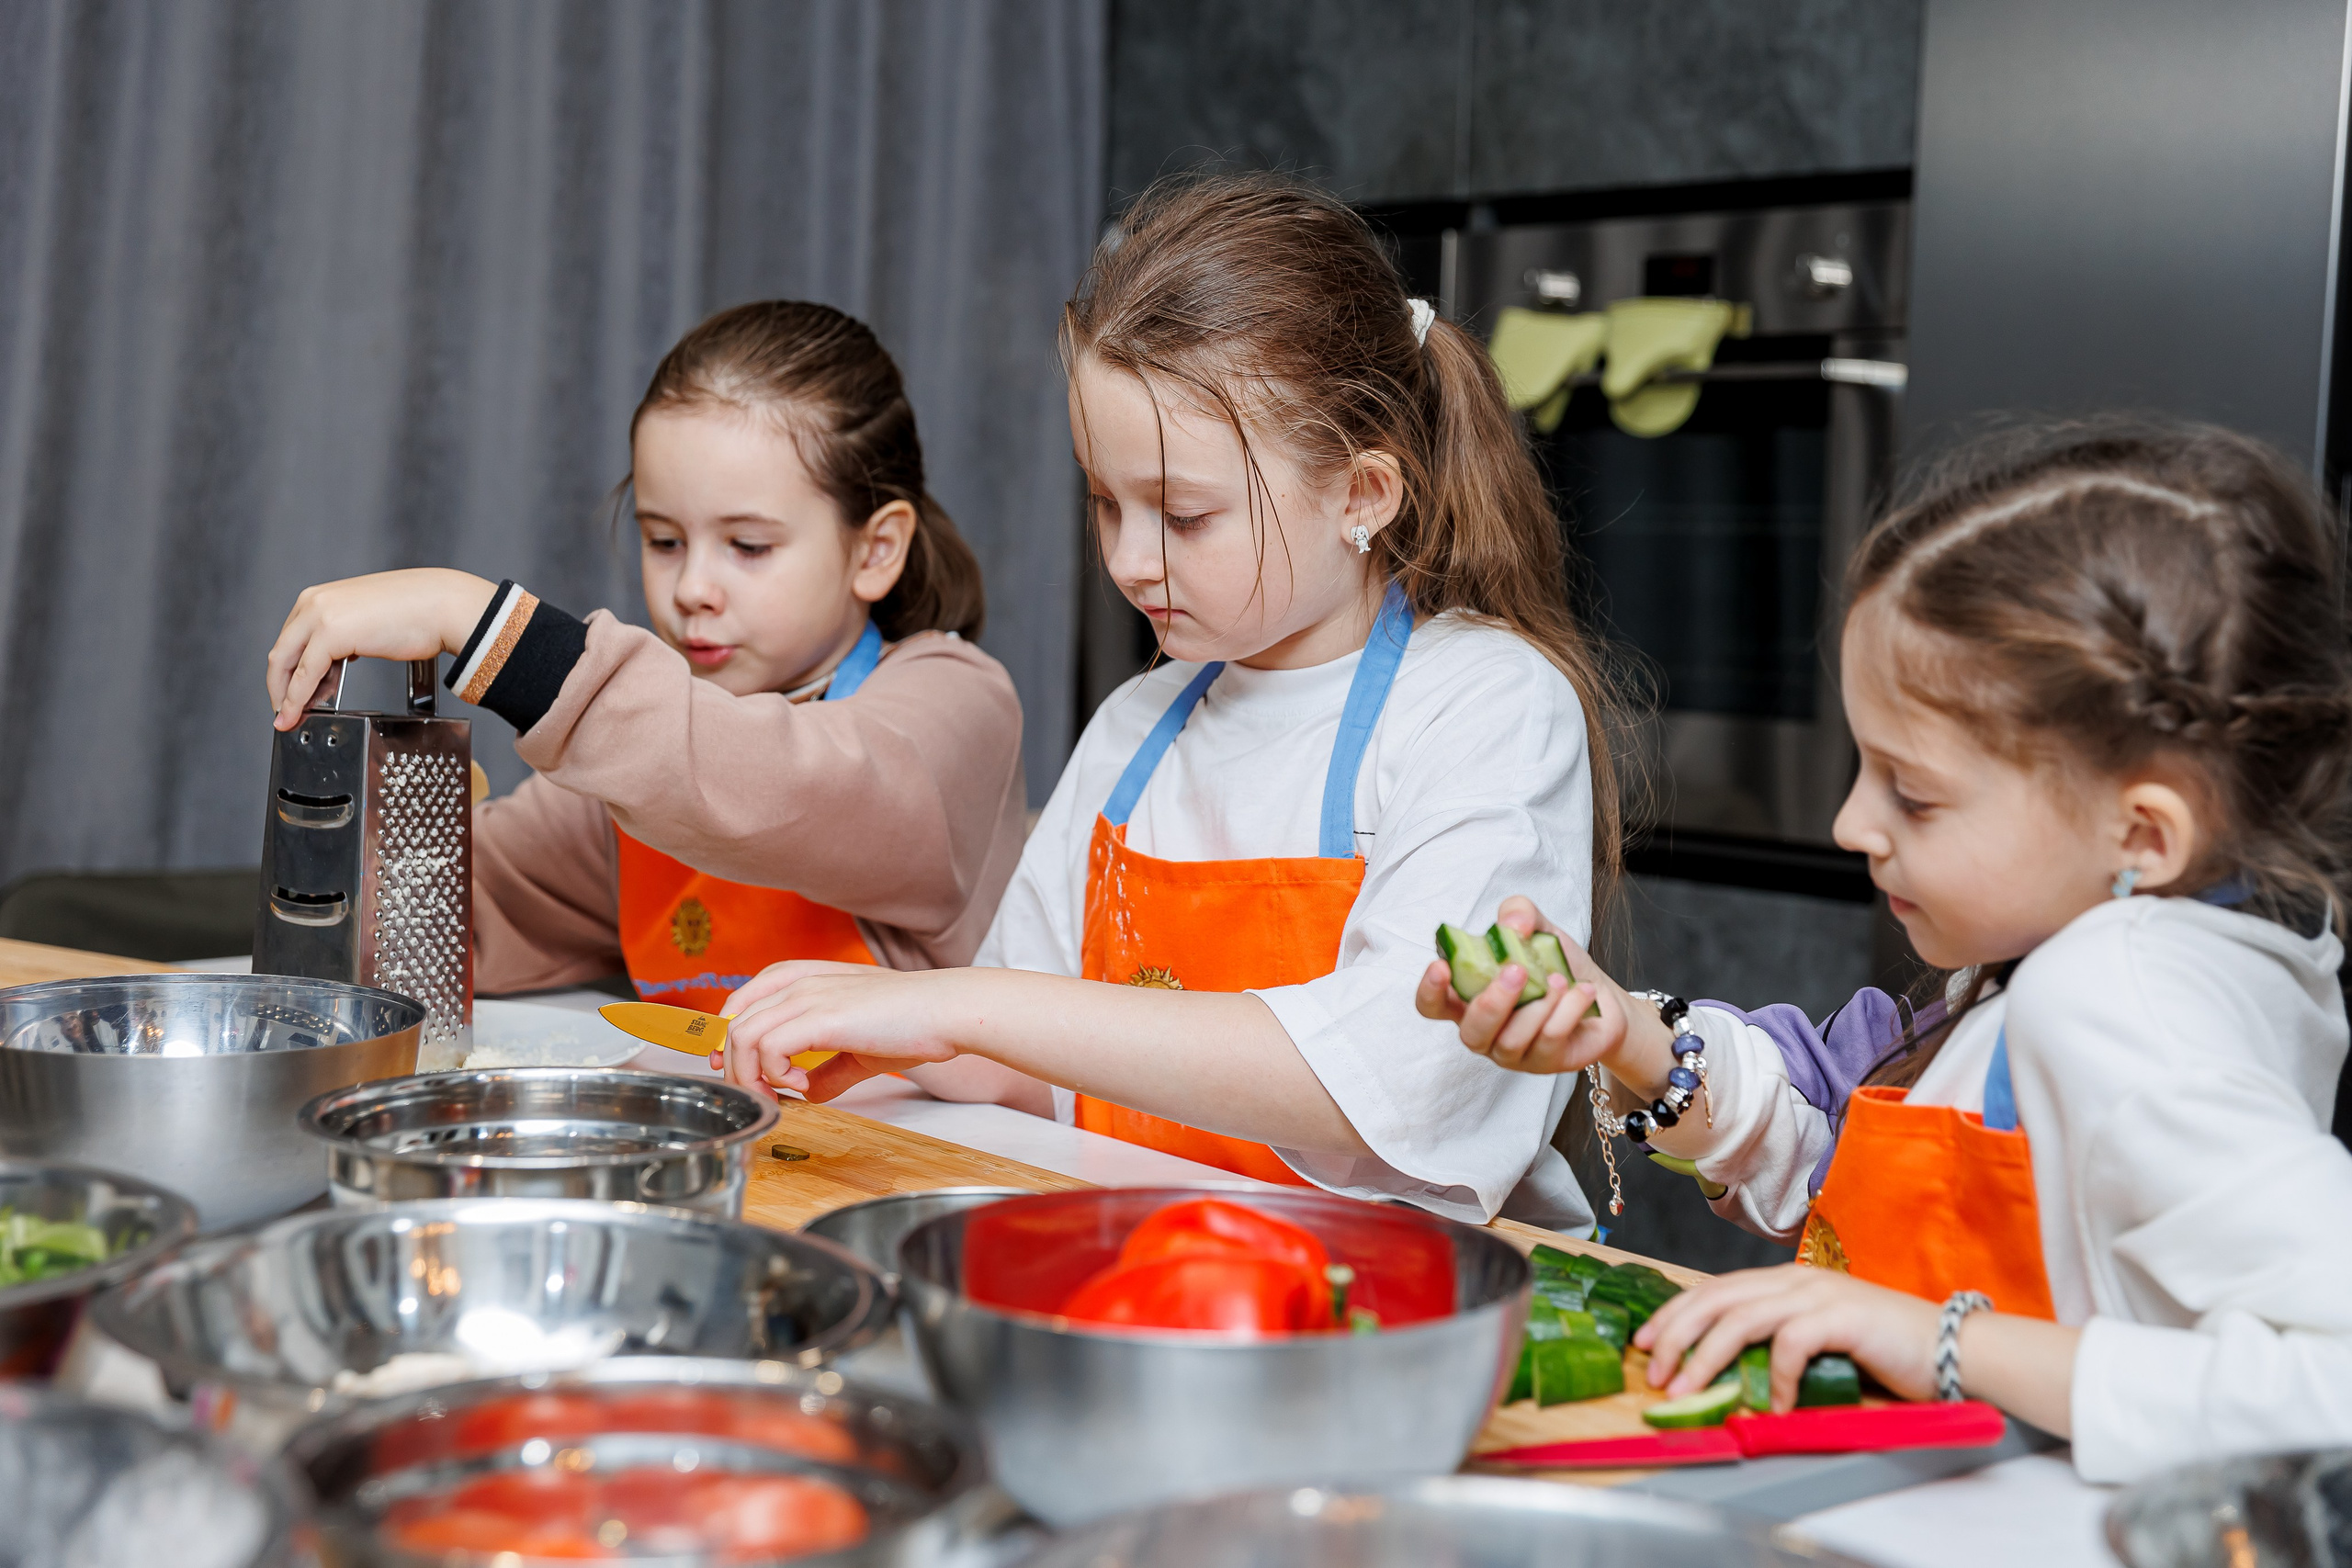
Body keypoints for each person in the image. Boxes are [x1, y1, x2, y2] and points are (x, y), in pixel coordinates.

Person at [1420, 418, 2352, 1482]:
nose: (1853, 825)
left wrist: (1942, 1342)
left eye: (1912, 793)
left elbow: (2334, 1379)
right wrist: (1626, 1034)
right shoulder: (2032, 969)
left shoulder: (2118, 1001)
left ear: (2141, 833)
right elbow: (1838, 1154)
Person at [716, 173, 1628, 1230]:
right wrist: (892, 1041)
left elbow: (1378, 1080)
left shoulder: (1487, 707)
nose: (1130, 560)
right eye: (1106, 502)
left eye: (1184, 514)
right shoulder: (1139, 726)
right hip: (1153, 1256)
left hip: (1389, 1298)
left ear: (1361, 496)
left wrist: (955, 1001)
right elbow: (1050, 1071)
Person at [265, 301, 1028, 1014]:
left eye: (749, 546)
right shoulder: (627, 772)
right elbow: (460, 923)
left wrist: (481, 623)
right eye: (664, 540)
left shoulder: (959, 704)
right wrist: (387, 826)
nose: (693, 587)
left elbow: (784, 783)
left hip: (938, 1155)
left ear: (877, 548)